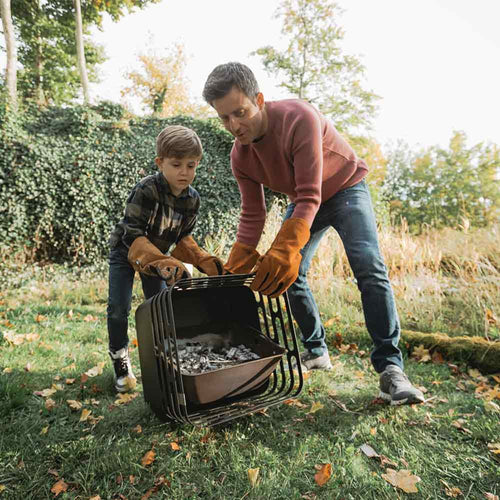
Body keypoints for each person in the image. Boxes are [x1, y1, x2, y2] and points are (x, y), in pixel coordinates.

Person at [202, 62, 424, 405]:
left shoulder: (298, 117)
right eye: (224, 118)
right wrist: (238, 261)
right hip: (305, 201)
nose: (234, 126)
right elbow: (253, 213)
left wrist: (284, 246)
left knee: (368, 265)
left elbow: (310, 193)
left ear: (259, 99)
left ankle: (391, 369)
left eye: (240, 112)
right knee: (291, 275)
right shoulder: (240, 156)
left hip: (346, 188)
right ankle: (317, 349)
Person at [107, 125, 224, 392]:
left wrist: (199, 258)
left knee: (158, 308)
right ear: (160, 163)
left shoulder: (192, 200)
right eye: (177, 164)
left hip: (159, 259)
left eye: (191, 165)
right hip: (125, 251)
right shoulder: (146, 189)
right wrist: (158, 260)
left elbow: (183, 239)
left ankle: (160, 360)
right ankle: (119, 357)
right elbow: (132, 233)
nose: (185, 172)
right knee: (118, 308)